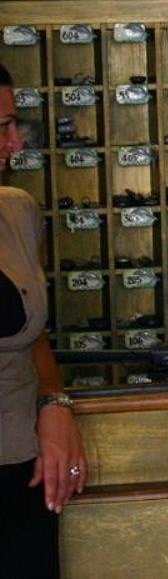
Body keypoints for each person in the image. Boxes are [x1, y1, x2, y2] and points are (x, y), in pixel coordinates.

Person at [0, 63, 88, 577]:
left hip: (24, 474)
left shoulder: (17, 211)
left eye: (14, 125)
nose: (13, 145)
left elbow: (33, 335)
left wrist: (55, 404)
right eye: (1, 128)